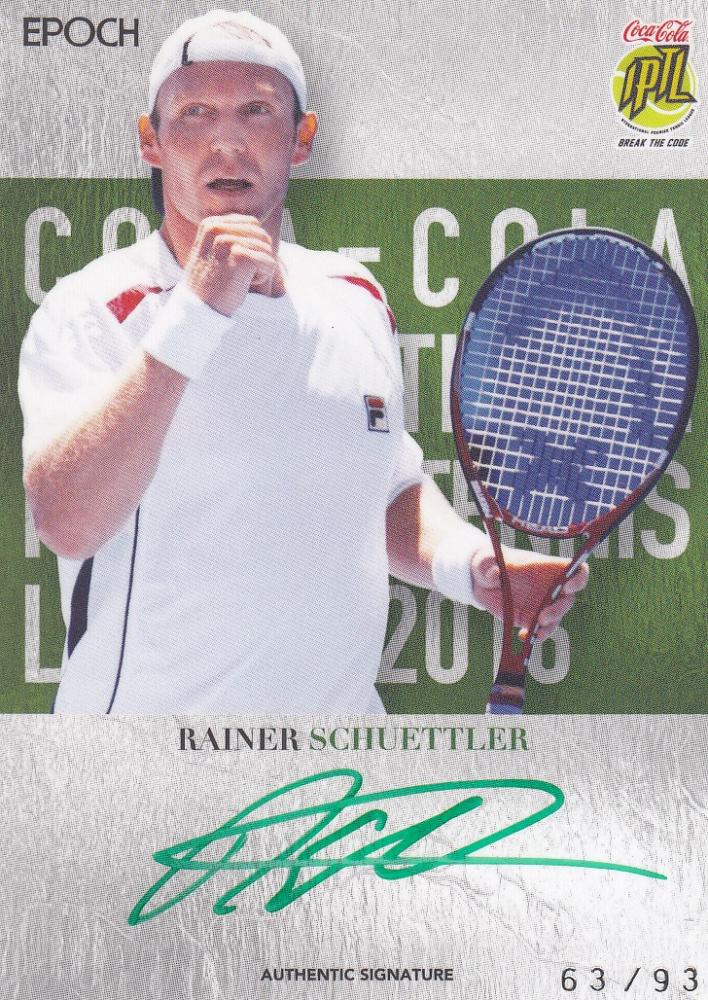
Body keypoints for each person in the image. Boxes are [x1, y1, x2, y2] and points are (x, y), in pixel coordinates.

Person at [18, 10, 587, 713]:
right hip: (150, 754)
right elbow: (67, 521)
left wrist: (468, 568)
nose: (227, 142)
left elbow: (380, 485)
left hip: (340, 755)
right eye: (195, 113)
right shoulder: (94, 308)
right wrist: (198, 311)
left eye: (256, 111)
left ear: (302, 138)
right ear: (151, 142)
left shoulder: (355, 295)